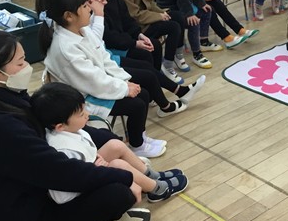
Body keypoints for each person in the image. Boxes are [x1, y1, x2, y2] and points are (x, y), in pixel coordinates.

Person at [0, 29, 150, 221]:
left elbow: (51, 128)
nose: (27, 67)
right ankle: (108, 217)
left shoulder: (4, 97)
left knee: (105, 142)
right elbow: (60, 173)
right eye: (20, 63)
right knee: (119, 193)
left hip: (36, 188)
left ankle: (146, 178)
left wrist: (106, 147)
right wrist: (124, 177)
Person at [38, 0, 167, 158]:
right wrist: (123, 88)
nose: (89, 9)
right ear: (69, 16)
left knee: (142, 93)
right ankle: (138, 145)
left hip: (95, 86)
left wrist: (124, 80)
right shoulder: (65, 48)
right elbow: (93, 80)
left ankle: (139, 139)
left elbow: (104, 58)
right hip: (84, 97)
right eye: (84, 6)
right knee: (136, 104)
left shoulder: (81, 30)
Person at [31, 82, 188, 204]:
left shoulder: (67, 130)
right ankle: (157, 189)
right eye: (81, 114)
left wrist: (95, 161)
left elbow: (85, 159)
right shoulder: (64, 148)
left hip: (89, 170)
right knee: (118, 165)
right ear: (60, 126)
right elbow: (72, 183)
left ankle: (151, 176)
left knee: (115, 145)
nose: (87, 114)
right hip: (76, 192)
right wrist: (95, 167)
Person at [80, 0, 207, 108]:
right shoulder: (94, 10)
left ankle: (157, 91)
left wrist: (139, 36)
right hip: (112, 50)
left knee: (154, 46)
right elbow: (109, 38)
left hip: (123, 43)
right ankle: (165, 94)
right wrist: (134, 43)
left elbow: (129, 23)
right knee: (146, 60)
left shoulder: (115, 0)